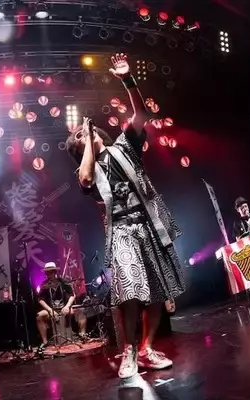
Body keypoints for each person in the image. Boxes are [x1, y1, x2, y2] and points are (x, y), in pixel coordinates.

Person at [65, 53, 185, 378]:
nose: (85, 134)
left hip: (149, 225)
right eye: (79, 138)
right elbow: (86, 179)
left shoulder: (124, 147)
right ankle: (129, 350)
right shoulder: (86, 169)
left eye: (87, 132)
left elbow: (140, 114)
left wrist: (128, 79)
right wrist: (85, 142)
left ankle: (146, 348)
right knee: (129, 290)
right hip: (121, 231)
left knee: (157, 290)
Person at [35, 262, 87, 352]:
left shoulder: (63, 282)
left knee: (80, 311)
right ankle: (44, 341)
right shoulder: (44, 285)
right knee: (39, 316)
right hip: (51, 310)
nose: (49, 274)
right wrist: (50, 310)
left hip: (65, 307)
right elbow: (40, 299)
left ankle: (82, 334)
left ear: (55, 272)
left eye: (51, 272)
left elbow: (72, 295)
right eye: (47, 272)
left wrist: (67, 306)